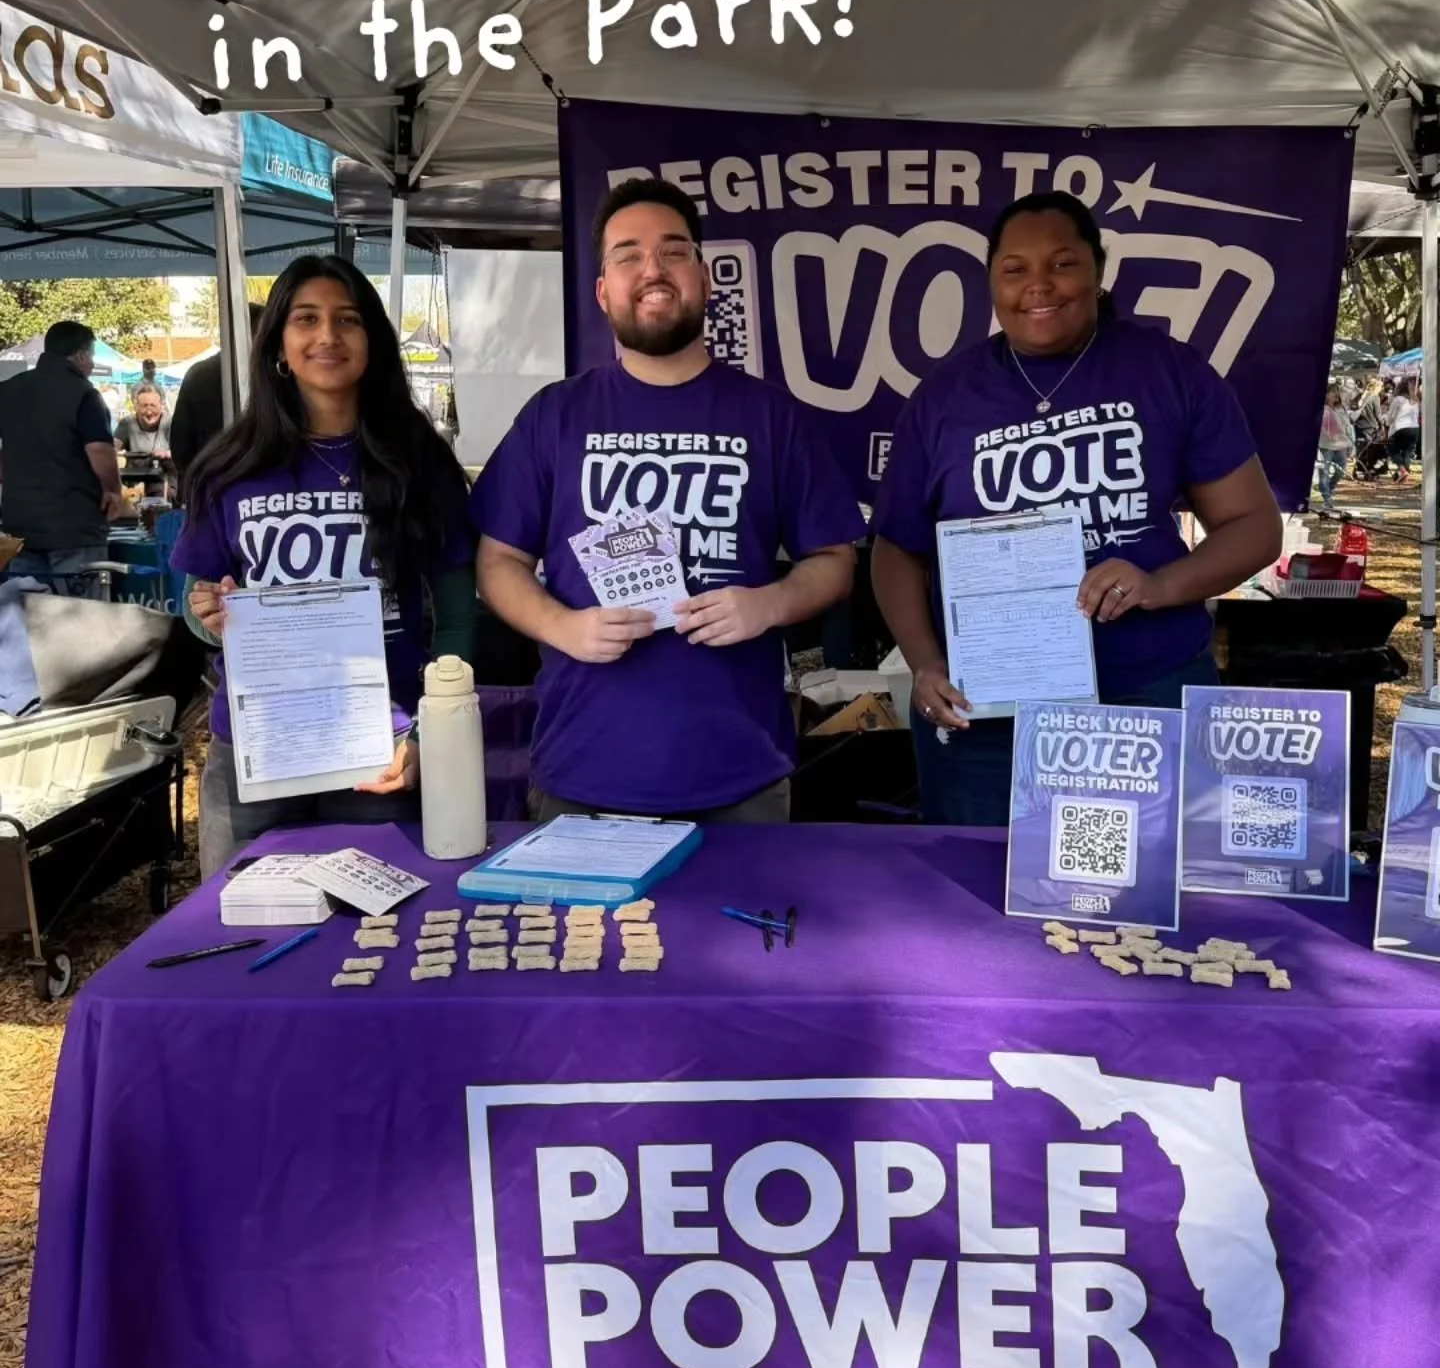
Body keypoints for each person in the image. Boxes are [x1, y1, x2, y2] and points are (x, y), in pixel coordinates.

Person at [871, 190, 1284, 827]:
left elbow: (1255, 527)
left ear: (1098, 268)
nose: (1039, 286)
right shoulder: (943, 398)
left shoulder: (1169, 371)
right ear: (991, 282)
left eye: (1062, 264)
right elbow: (897, 548)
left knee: (1143, 901)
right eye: (1015, 269)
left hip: (1144, 692)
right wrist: (926, 662)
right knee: (980, 903)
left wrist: (1159, 584)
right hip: (984, 709)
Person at [474, 176, 865, 822]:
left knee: (748, 929)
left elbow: (835, 560)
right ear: (603, 292)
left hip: (740, 776)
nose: (652, 270)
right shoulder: (554, 416)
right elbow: (497, 562)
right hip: (582, 773)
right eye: (627, 255)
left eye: (673, 251)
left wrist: (767, 603)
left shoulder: (771, 415)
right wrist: (562, 627)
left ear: (705, 278)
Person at [172, 256, 478, 878]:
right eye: (306, 319)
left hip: (383, 746)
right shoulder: (229, 467)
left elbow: (457, 616)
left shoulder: (421, 463)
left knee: (376, 934)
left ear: (374, 341)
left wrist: (427, 733)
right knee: (242, 926)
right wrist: (210, 613)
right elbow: (195, 609)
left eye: (348, 320)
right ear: (280, 344)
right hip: (257, 744)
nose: (327, 336)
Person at [0, 320, 124, 597]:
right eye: (91, 356)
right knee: (83, 623)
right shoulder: (83, 394)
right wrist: (113, 490)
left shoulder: (7, 391)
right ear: (81, 355)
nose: (91, 364)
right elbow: (100, 450)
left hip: (19, 527)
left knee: (28, 623)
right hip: (75, 526)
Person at [169, 304, 265, 497]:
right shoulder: (269, 374)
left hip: (208, 485)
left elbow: (180, 444)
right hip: (255, 488)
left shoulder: (197, 373)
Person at [1315, 385, 1354, 513]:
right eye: (1332, 392)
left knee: (1341, 471)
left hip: (1341, 444)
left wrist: (1351, 444)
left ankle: (1328, 490)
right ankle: (1327, 498)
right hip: (1325, 445)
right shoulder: (1321, 409)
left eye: (1337, 393)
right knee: (1324, 472)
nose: (1335, 395)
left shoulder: (1341, 409)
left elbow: (1348, 426)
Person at [114, 382, 173, 462]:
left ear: (162, 406)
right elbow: (112, 448)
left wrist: (167, 453)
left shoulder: (171, 423)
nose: (149, 412)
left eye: (153, 405)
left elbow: (187, 451)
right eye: (144, 406)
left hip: (166, 473)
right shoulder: (127, 423)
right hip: (136, 473)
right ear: (136, 407)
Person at [1386, 379, 1421, 484]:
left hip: (1400, 427)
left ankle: (1402, 469)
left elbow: (1391, 417)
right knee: (1408, 452)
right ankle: (1404, 473)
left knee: (1392, 449)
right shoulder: (1415, 400)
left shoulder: (1398, 399)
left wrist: (1386, 422)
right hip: (1414, 428)